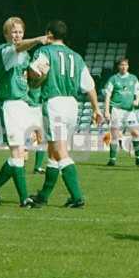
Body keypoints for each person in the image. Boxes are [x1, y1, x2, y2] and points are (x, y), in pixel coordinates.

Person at [28, 20, 103, 208]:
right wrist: (96, 109)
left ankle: (77, 197)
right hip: (72, 104)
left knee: (60, 151)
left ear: (48, 33)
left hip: (54, 102)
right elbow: (90, 86)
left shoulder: (44, 51)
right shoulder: (76, 57)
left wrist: (31, 78)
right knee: (53, 152)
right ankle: (43, 196)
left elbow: (36, 72)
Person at [0, 17, 50, 207]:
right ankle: (24, 198)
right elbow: (19, 48)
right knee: (17, 152)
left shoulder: (25, 56)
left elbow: (32, 82)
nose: (17, 35)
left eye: (20, 32)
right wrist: (38, 40)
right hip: (8, 104)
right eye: (13, 32)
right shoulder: (4, 50)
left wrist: (42, 74)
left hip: (23, 104)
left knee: (19, 155)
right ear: (6, 34)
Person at [104, 58, 139, 166]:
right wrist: (107, 111)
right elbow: (108, 95)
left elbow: (138, 92)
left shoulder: (133, 78)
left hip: (129, 111)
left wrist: (137, 100)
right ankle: (112, 159)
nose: (124, 67)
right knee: (115, 135)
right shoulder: (113, 79)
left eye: (125, 65)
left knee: (135, 132)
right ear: (118, 66)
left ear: (128, 66)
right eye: (121, 65)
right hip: (116, 110)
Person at [27, 87, 46, 174]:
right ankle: (19, 164)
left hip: (39, 108)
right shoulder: (28, 78)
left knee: (41, 139)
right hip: (29, 109)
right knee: (27, 139)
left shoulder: (43, 80)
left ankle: (37, 167)